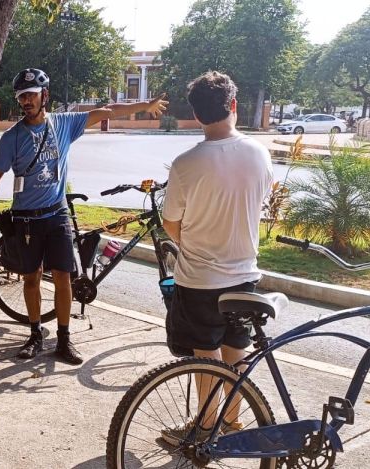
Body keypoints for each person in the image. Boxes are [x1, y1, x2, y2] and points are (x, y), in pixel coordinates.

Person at [0, 68, 167, 364]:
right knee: (31, 280)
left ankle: (64, 339)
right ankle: (35, 334)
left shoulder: (64, 124)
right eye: (22, 96)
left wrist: (144, 106)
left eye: (32, 95)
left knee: (64, 278)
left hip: (57, 216)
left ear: (45, 96)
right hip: (26, 219)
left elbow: (108, 110)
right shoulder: (11, 138)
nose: (26, 101)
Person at [158, 71, 273, 445]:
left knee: (205, 356)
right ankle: (232, 423)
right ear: (233, 106)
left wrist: (193, 244)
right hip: (245, 274)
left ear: (195, 114)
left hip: (200, 279)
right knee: (236, 352)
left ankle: (205, 427)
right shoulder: (260, 153)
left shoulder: (185, 164)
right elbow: (262, 204)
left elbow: (170, 223)